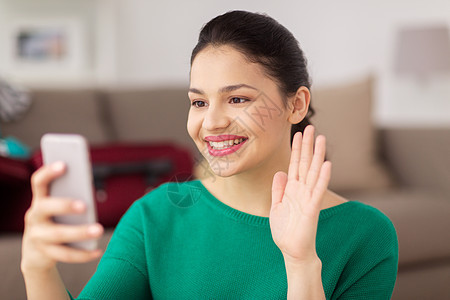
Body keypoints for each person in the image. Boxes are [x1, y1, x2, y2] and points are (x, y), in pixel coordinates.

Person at [21, 10, 398, 299]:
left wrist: (301, 264)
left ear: (296, 104)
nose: (212, 122)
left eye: (237, 99)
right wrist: (36, 268)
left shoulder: (365, 235)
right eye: (199, 102)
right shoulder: (155, 216)